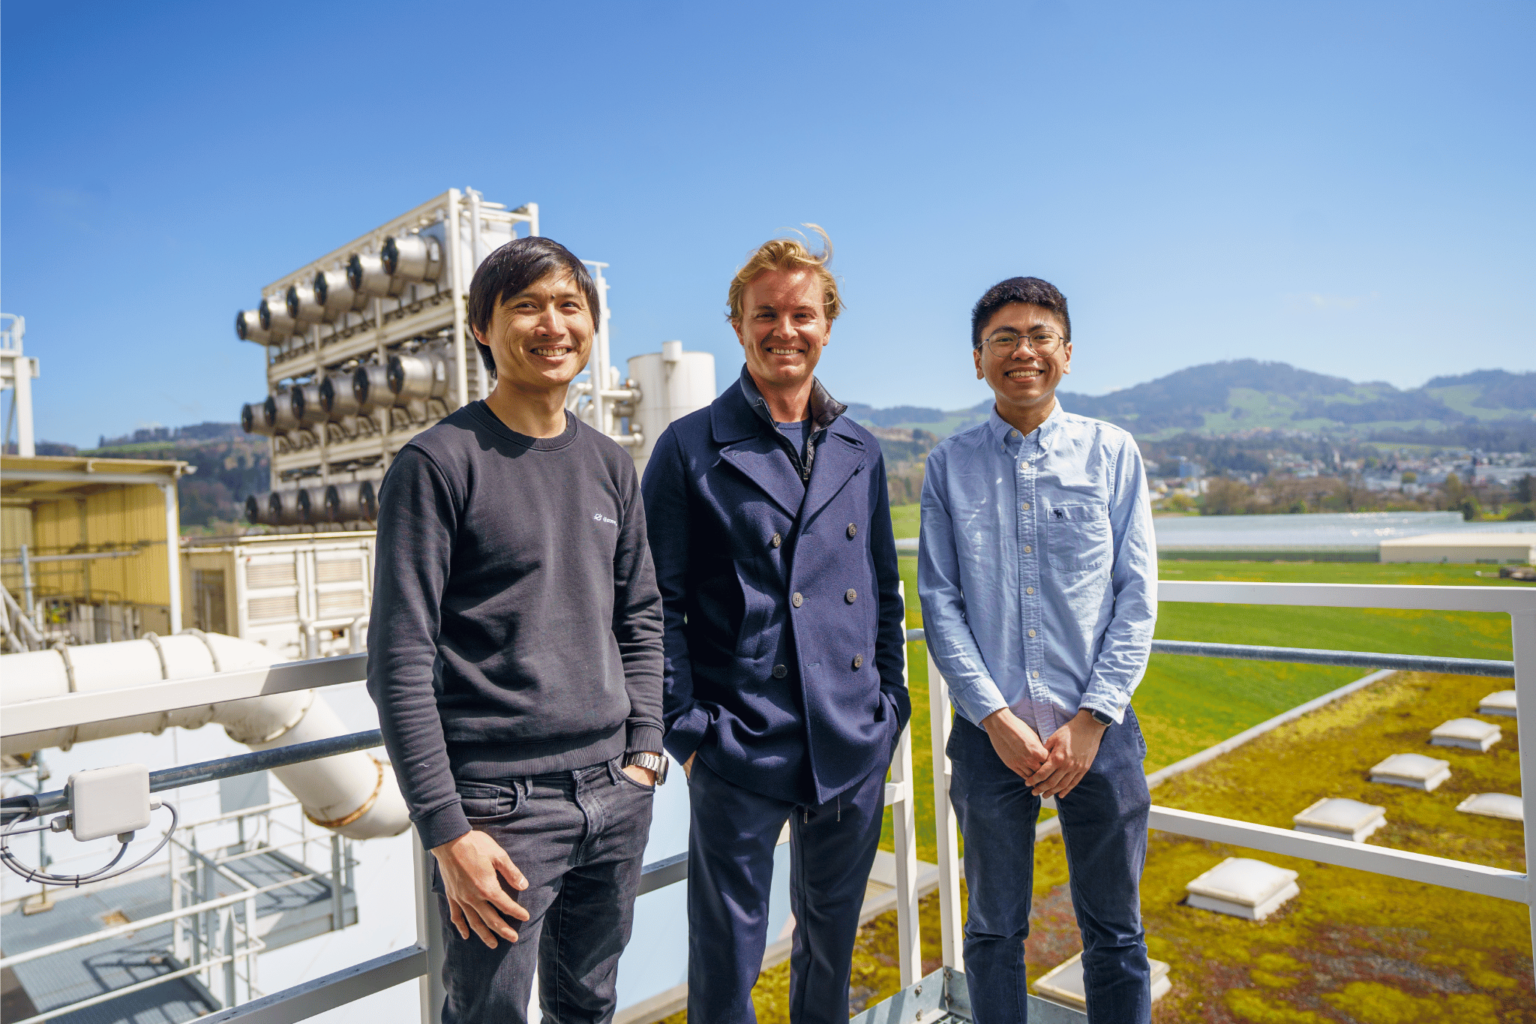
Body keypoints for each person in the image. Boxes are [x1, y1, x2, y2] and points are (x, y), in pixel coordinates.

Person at [366, 236, 666, 1024]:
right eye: (526, 306)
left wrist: (644, 751)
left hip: (614, 789)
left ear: (592, 325)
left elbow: (639, 615)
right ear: (482, 329)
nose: (553, 324)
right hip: (498, 811)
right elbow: (399, 661)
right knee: (488, 1014)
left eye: (570, 305)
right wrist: (447, 830)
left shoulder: (610, 463)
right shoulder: (438, 464)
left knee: (590, 1005)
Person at [641, 229, 910, 1024]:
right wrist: (688, 735)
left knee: (831, 947)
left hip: (850, 740)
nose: (783, 331)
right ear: (737, 326)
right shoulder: (689, 448)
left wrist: (889, 708)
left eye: (801, 314)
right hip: (739, 742)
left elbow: (884, 593)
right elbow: (655, 605)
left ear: (828, 324)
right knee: (726, 962)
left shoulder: (859, 448)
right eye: (766, 315)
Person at [918, 277, 1157, 1023]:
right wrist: (994, 717)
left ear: (1067, 352)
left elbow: (1135, 595)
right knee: (992, 929)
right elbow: (939, 600)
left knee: (1115, 933)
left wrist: (1089, 721)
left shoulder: (1113, 453)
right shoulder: (947, 464)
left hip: (1101, 734)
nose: (1023, 351)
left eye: (1039, 336)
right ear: (978, 359)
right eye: (1004, 339)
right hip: (992, 741)